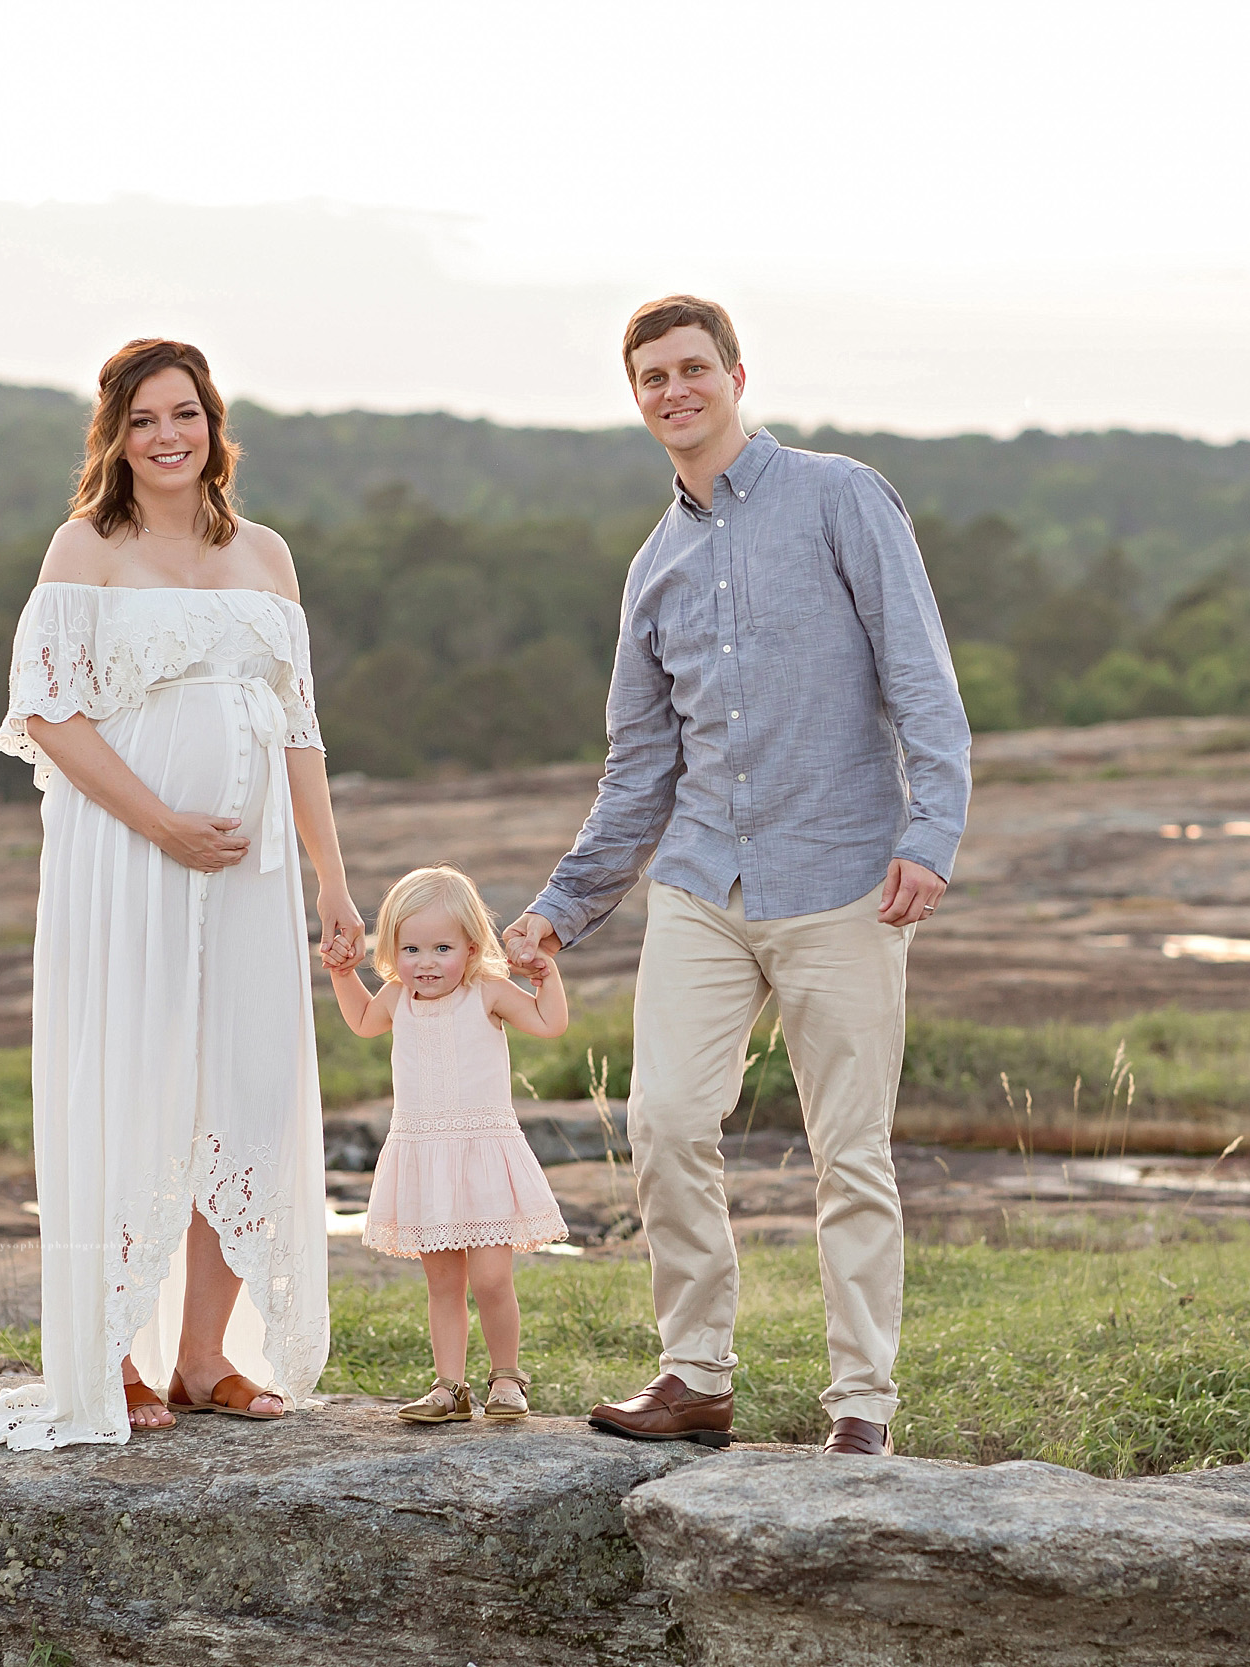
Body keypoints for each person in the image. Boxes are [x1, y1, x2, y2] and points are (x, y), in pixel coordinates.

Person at [504, 296, 971, 1457]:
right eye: (651, 377)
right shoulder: (652, 569)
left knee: (848, 1150)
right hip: (702, 883)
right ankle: (695, 1375)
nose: (674, 390)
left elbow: (921, 674)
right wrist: (562, 905)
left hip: (843, 880)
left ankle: (862, 1403)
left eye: (691, 368)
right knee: (663, 1118)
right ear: (636, 398)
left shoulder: (840, 496)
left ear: (735, 373)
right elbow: (639, 766)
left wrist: (932, 831)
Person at [0, 337, 363, 1449]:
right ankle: (117, 1361)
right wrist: (161, 823)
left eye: (182, 413)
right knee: (134, 1086)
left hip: (251, 873)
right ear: (116, 433)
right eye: (142, 418)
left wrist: (333, 881)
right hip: (126, 862)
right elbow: (46, 712)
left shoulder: (267, 556)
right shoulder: (85, 548)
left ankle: (203, 1359)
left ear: (213, 423)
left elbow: (298, 730)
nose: (166, 436)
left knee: (240, 1084)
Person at [327, 865, 571, 1423]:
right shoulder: (395, 997)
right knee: (442, 1282)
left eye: (442, 947)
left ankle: (507, 1378)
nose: (427, 962)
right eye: (411, 948)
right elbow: (363, 1021)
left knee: (490, 1278)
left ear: (470, 946)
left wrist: (545, 978)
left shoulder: (485, 992)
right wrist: (343, 974)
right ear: (391, 949)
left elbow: (548, 1024)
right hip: (424, 1154)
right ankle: (449, 1386)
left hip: (480, 1154)